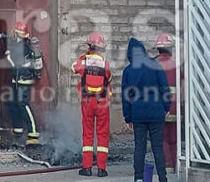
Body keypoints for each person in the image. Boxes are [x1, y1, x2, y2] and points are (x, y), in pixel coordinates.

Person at [122, 38, 171, 182]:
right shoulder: (154, 65)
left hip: (138, 114)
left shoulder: (128, 71)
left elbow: (126, 97)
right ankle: (163, 178)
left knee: (139, 148)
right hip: (156, 112)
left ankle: (138, 178)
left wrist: (128, 117)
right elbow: (164, 87)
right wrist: (166, 107)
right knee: (157, 147)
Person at [72, 31, 112, 177]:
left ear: (89, 45)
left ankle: (87, 168)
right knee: (102, 135)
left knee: (88, 135)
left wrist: (84, 57)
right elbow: (109, 77)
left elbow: (73, 68)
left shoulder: (83, 60)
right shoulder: (105, 63)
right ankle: (102, 169)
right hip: (102, 102)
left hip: (87, 102)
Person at [4, 21, 41, 145]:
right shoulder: (19, 44)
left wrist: (8, 53)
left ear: (17, 33)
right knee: (13, 103)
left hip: (23, 80)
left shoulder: (22, 46)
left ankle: (34, 132)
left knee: (23, 104)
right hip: (17, 79)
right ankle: (18, 129)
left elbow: (12, 62)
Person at [154, 33, 179, 173]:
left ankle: (167, 167)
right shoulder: (177, 64)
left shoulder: (154, 64)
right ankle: (175, 166)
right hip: (175, 107)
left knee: (161, 138)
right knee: (173, 138)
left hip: (160, 107)